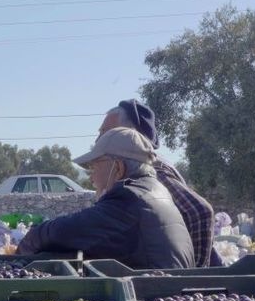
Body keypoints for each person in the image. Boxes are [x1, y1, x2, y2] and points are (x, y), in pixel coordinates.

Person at [17, 127, 195, 269]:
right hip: (167, 289)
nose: (91, 176)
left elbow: (62, 231)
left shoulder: (128, 198)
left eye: (94, 166)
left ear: (118, 168)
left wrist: (25, 248)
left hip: (154, 297)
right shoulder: (157, 190)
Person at [100, 99, 218, 266]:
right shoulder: (133, 168)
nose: (99, 140)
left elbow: (200, 211)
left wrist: (194, 274)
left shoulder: (149, 170)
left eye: (106, 133)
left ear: (130, 134)